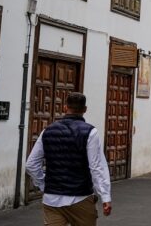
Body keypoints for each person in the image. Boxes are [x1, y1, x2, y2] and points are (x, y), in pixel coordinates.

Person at [26, 92, 112, 226]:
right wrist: (105, 196)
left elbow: (31, 164)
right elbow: (96, 167)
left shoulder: (47, 131)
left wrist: (44, 184)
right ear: (85, 110)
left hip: (51, 200)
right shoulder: (90, 132)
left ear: (65, 108)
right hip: (80, 198)